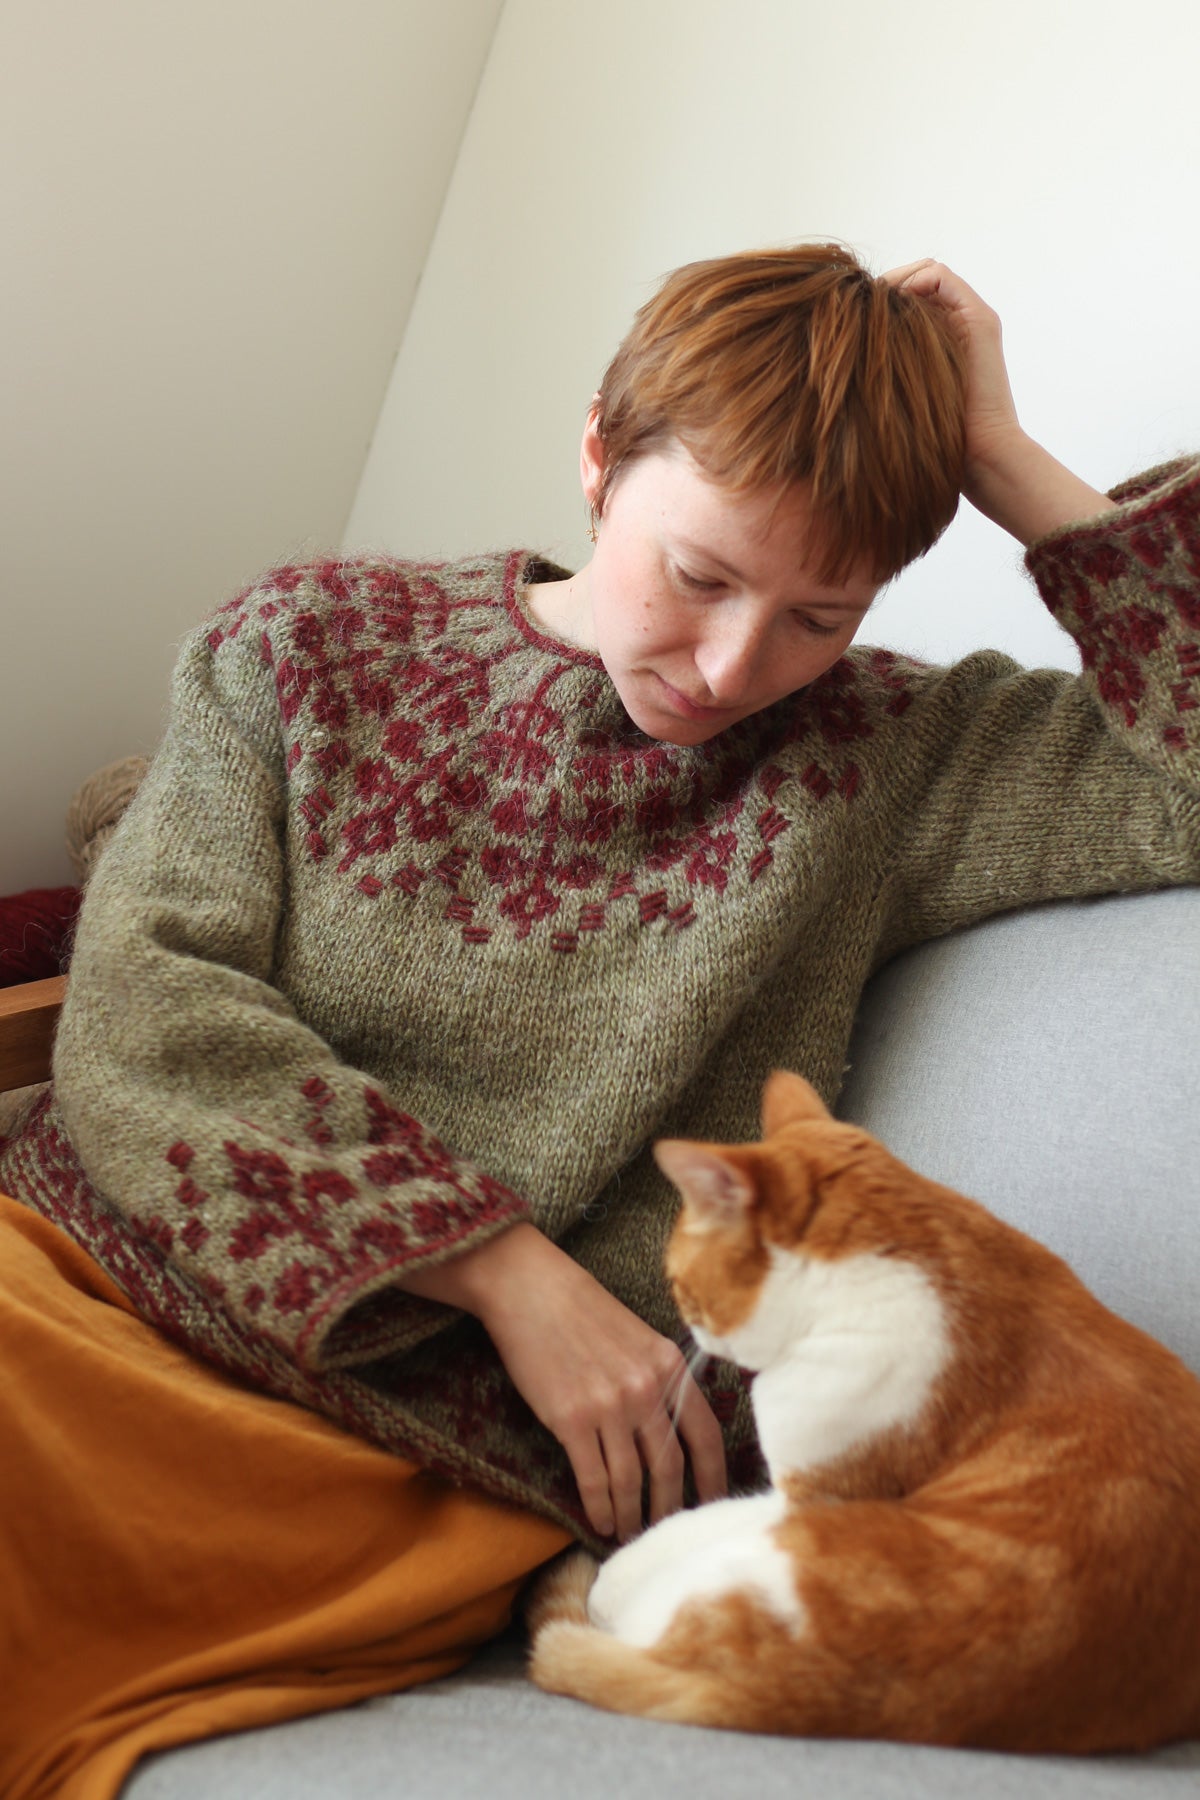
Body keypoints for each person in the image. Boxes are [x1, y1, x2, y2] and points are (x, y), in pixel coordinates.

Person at [2, 244, 1197, 1799]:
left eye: (819, 615)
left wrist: (1007, 462)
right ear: (597, 458)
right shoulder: (309, 642)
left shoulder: (890, 761)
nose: (735, 666)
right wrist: (501, 1267)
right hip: (79, 1274)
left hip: (403, 1443)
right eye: (699, 576)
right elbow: (149, 999)